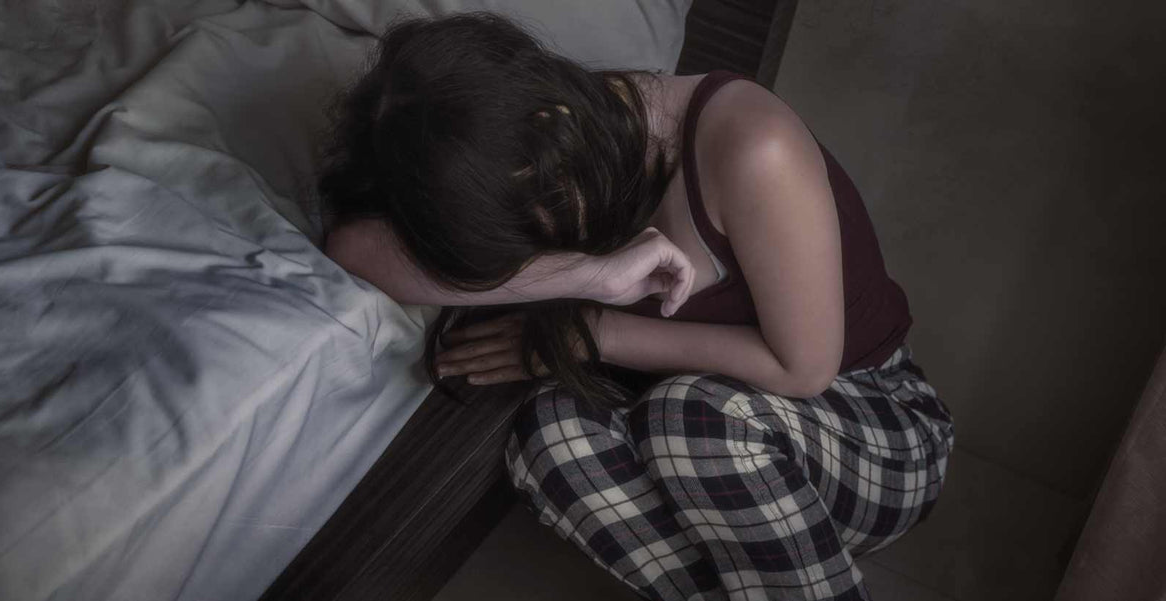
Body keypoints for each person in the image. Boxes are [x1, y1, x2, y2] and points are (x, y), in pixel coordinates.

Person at [319, 13, 954, 601]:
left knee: (688, 419)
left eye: (522, 230)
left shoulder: (751, 146)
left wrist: (592, 331)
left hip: (875, 423)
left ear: (551, 126)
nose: (524, 255)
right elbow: (355, 247)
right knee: (549, 433)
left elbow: (805, 371)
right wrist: (589, 274)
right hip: (722, 452)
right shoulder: (534, 138)